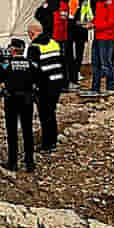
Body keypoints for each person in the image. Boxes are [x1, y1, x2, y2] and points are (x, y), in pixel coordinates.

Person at [0, 38, 37, 173]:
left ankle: (13, 162)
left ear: (13, 49)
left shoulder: (6, 64)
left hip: (11, 100)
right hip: (27, 99)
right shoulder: (31, 64)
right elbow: (38, 79)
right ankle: (30, 162)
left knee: (12, 131)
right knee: (27, 130)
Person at [27, 22, 64, 152]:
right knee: (51, 112)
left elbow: (33, 70)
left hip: (44, 86)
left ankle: (48, 144)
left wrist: (32, 86)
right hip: (57, 82)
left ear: (32, 33)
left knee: (44, 114)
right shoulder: (54, 43)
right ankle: (53, 140)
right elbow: (62, 62)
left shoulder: (34, 47)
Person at [86, 0, 114, 97]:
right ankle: (95, 88)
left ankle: (110, 86)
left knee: (106, 63)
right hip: (98, 36)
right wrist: (91, 22)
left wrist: (95, 25)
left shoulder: (112, 2)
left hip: (107, 37)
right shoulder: (100, 2)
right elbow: (99, 17)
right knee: (95, 63)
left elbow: (112, 22)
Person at [67, 0, 92, 89]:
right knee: (69, 52)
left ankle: (77, 71)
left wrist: (86, 22)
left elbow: (88, 11)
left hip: (81, 27)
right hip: (70, 27)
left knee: (79, 51)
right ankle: (71, 73)